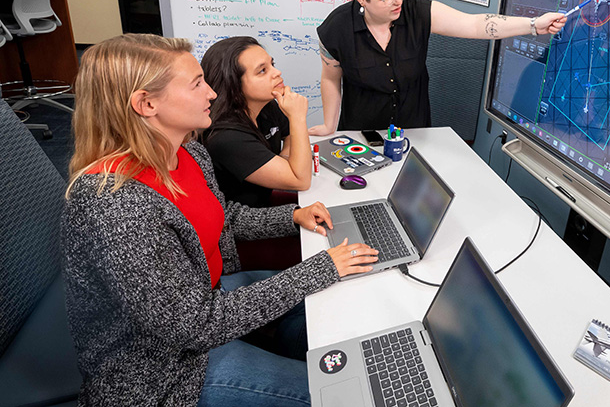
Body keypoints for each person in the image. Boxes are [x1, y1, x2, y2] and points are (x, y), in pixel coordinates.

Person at [61, 34, 379, 406]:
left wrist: (292, 215)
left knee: (332, 302)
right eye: (197, 84)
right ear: (146, 103)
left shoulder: (189, 153)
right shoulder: (116, 205)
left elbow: (223, 217)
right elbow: (194, 326)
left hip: (210, 298)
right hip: (166, 370)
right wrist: (319, 269)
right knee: (341, 395)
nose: (212, 94)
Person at [309, 0, 567, 135]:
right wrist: (329, 125)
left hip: (413, 133)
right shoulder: (336, 29)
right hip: (361, 135)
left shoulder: (415, 10)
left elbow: (474, 24)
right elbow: (331, 78)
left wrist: (533, 25)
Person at [200, 36, 311, 207]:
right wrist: (298, 117)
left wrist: (285, 161)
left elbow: (289, 135)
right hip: (246, 222)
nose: (277, 73)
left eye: (272, 64)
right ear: (234, 86)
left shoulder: (266, 105)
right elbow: (301, 180)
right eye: (262, 71)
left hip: (266, 200)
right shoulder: (226, 138)